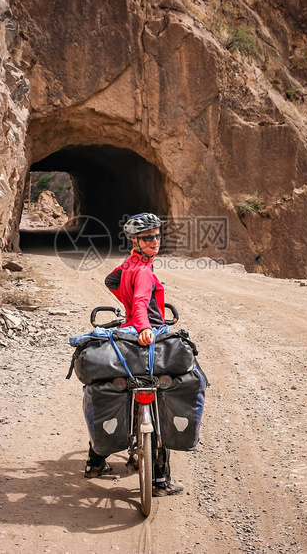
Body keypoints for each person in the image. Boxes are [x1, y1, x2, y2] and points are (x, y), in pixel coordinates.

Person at [84, 212, 184, 497]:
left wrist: (126, 311)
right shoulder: (143, 271)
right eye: (148, 237)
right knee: (162, 393)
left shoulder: (131, 264)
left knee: (116, 390)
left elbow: (111, 280)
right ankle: (161, 480)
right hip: (148, 335)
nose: (155, 240)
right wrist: (143, 326)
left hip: (126, 334)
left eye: (157, 235)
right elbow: (141, 301)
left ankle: (95, 461)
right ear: (135, 240)